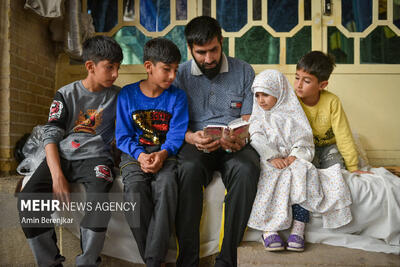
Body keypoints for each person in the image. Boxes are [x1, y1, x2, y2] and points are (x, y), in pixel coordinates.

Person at [17, 35, 123, 266]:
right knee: (28, 197)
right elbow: (51, 136)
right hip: (64, 156)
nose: (115, 74)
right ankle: (49, 262)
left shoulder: (119, 95)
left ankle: (87, 262)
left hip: (97, 159)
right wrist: (57, 176)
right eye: (109, 67)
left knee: (99, 203)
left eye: (118, 67)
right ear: (90, 66)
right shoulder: (66, 94)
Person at [173, 16, 260, 267]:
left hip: (233, 145)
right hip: (195, 143)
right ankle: (187, 261)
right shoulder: (178, 76)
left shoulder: (244, 71)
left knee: (247, 169)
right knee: (187, 169)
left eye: (214, 50)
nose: (209, 58)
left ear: (222, 42)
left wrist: (240, 138)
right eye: (201, 53)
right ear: (189, 48)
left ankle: (226, 260)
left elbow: (248, 117)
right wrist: (191, 137)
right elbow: (172, 122)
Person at [247, 69, 352, 252]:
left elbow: (303, 139)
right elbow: (256, 139)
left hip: (292, 158)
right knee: (270, 176)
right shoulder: (258, 118)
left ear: (279, 93)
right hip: (271, 160)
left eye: (266, 95)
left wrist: (295, 156)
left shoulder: (293, 114)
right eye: (257, 95)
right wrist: (272, 157)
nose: (261, 100)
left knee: (304, 172)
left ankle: (298, 228)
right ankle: (269, 228)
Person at [115, 38, 189, 267]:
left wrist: (163, 154)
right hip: (133, 155)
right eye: (166, 69)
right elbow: (122, 136)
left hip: (165, 154)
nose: (172, 76)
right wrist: (139, 155)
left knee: (167, 186)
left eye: (175, 70)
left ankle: (152, 261)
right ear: (149, 67)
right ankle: (154, 260)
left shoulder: (177, 97)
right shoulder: (127, 95)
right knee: (134, 190)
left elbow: (177, 134)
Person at [294, 51, 370, 174]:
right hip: (304, 148)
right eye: (297, 78)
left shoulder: (332, 102)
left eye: (306, 81)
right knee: (305, 172)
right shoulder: (292, 100)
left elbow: (343, 134)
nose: (299, 85)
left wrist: (353, 167)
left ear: (322, 85)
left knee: (337, 171)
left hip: (329, 148)